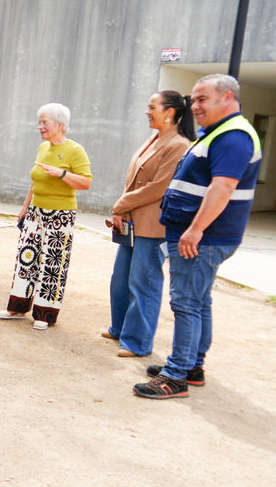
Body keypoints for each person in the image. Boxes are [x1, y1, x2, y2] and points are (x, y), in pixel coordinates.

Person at [134, 74, 262, 399]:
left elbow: (223, 187)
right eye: (193, 98)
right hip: (203, 235)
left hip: (204, 237)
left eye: (203, 98)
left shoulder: (233, 137)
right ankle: (192, 366)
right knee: (199, 301)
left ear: (228, 98)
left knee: (186, 303)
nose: (195, 105)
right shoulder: (217, 133)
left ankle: (175, 377)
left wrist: (195, 229)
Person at [103, 92, 193, 357]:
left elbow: (159, 188)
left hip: (153, 226)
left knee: (144, 283)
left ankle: (138, 342)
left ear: (170, 112)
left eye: (152, 107)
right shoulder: (154, 138)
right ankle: (119, 328)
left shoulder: (178, 144)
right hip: (132, 221)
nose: (147, 111)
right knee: (121, 279)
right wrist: (122, 210)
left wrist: (121, 205)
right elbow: (134, 180)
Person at [0, 103, 92, 329]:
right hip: (35, 212)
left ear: (60, 125)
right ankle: (17, 308)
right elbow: (36, 180)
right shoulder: (43, 148)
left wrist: (62, 174)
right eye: (39, 122)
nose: (40, 127)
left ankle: (44, 314)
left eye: (44, 122)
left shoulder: (75, 150)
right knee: (26, 258)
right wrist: (24, 208)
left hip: (61, 214)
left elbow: (86, 182)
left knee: (53, 263)